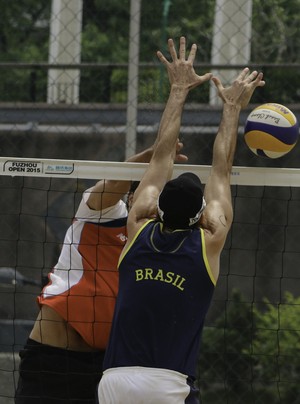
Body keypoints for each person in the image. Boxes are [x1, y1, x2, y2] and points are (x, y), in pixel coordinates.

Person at [97, 36, 265, 403]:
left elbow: (160, 161)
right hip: (168, 384)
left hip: (114, 379)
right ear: (201, 214)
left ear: (157, 206)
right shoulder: (208, 240)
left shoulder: (138, 226)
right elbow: (221, 170)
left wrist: (178, 89)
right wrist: (232, 107)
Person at [14, 140, 187, 401]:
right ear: (131, 197)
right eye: (147, 194)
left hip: (108, 370)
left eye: (158, 200)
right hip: (52, 359)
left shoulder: (161, 249)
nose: (152, 204)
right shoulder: (103, 215)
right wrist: (149, 157)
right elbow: (114, 182)